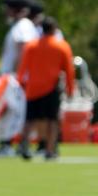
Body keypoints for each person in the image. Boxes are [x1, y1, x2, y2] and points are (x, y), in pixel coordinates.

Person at [15, 16, 74, 160]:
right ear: (54, 29)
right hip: (51, 88)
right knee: (52, 120)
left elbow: (23, 69)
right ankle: (50, 150)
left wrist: (21, 83)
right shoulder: (62, 46)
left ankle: (24, 146)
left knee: (29, 120)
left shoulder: (31, 46)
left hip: (33, 88)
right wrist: (70, 89)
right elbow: (69, 70)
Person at [0, 0, 38, 76]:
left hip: (15, 79)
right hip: (12, 78)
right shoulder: (19, 25)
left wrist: (18, 76)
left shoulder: (23, 25)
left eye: (7, 9)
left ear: (15, 10)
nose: (5, 12)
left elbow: (23, 51)